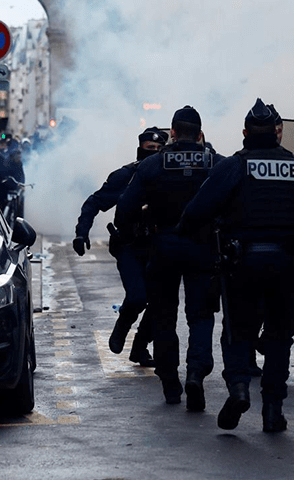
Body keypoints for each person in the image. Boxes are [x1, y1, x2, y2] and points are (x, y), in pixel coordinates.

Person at [178, 99, 294, 432]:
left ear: (245, 133)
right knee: (278, 337)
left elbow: (197, 210)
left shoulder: (233, 166)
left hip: (242, 264)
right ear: (278, 132)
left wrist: (186, 233)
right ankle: (272, 410)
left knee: (238, 333)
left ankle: (240, 388)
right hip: (287, 266)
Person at [115, 106, 222, 411]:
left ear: (172, 134)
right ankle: (197, 374)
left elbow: (125, 210)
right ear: (200, 135)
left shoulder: (152, 165)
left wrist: (133, 232)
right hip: (202, 248)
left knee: (164, 317)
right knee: (201, 316)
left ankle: (170, 383)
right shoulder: (216, 163)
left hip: (162, 247)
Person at [73, 126, 169, 367]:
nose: (155, 153)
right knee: (138, 297)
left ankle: (140, 347)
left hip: (158, 247)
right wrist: (81, 232)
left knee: (160, 302)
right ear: (140, 150)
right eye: (150, 149)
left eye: (159, 149)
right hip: (129, 246)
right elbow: (94, 202)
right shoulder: (126, 175)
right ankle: (123, 325)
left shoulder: (169, 176)